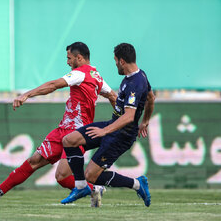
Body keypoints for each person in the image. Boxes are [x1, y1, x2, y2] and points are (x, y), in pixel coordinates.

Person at [0, 42, 117, 207]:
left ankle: (92, 189)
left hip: (76, 135)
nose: (67, 62)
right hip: (63, 130)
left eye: (69, 58)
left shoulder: (80, 74)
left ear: (79, 57)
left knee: (61, 177)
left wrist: (26, 94)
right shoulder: (96, 77)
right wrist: (120, 120)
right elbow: (113, 97)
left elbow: (53, 85)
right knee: (34, 161)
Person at [61, 43, 155, 207]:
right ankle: (81, 186)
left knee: (91, 175)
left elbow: (129, 117)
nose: (115, 64)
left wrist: (104, 131)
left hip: (122, 135)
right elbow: (151, 98)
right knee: (69, 140)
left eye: (115, 61)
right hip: (113, 126)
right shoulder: (139, 76)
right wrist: (145, 121)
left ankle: (138, 184)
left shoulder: (135, 83)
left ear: (122, 61)